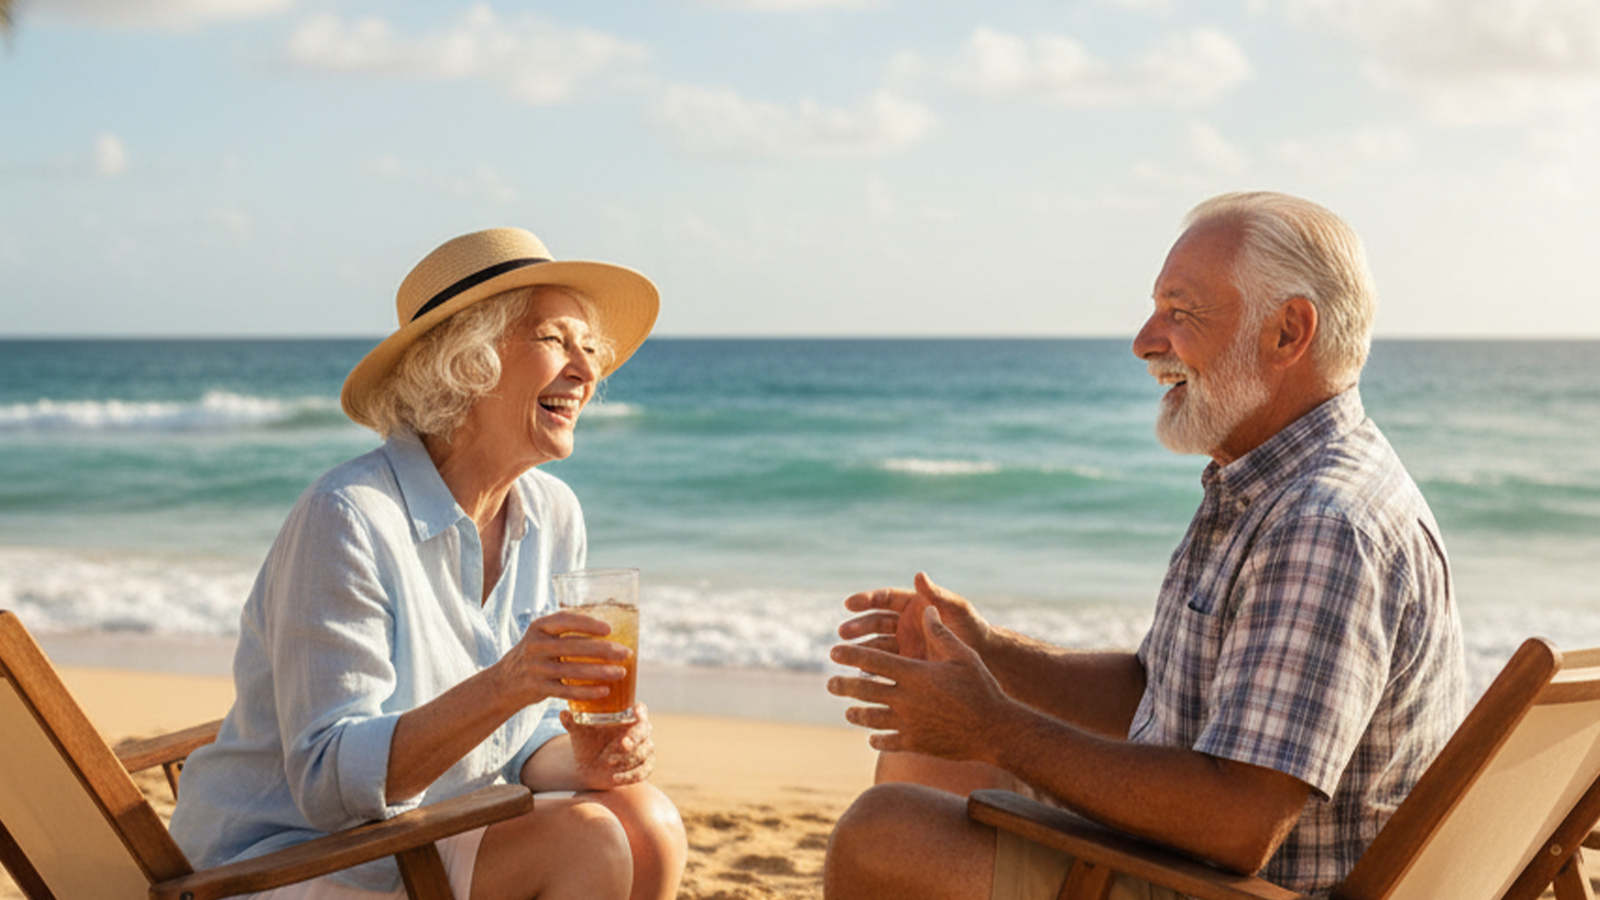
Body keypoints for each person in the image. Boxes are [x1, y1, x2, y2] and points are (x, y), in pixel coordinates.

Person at [822, 192, 1466, 900]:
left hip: (1234, 886)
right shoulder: (1268, 481)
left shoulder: (1325, 523)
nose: (1144, 341)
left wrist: (994, 728)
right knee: (922, 760)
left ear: (1287, 334)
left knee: (882, 836)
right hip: (1192, 863)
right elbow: (1152, 692)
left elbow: (1237, 822)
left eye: (1180, 312)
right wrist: (984, 648)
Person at [169, 227, 687, 900]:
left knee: (648, 821)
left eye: (590, 348)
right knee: (588, 840)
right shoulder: (348, 515)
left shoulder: (554, 514)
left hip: (418, 838)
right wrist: (511, 682)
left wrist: (584, 758)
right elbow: (329, 785)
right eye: (556, 340)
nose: (588, 372)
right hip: (288, 862)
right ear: (467, 363)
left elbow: (521, 742)